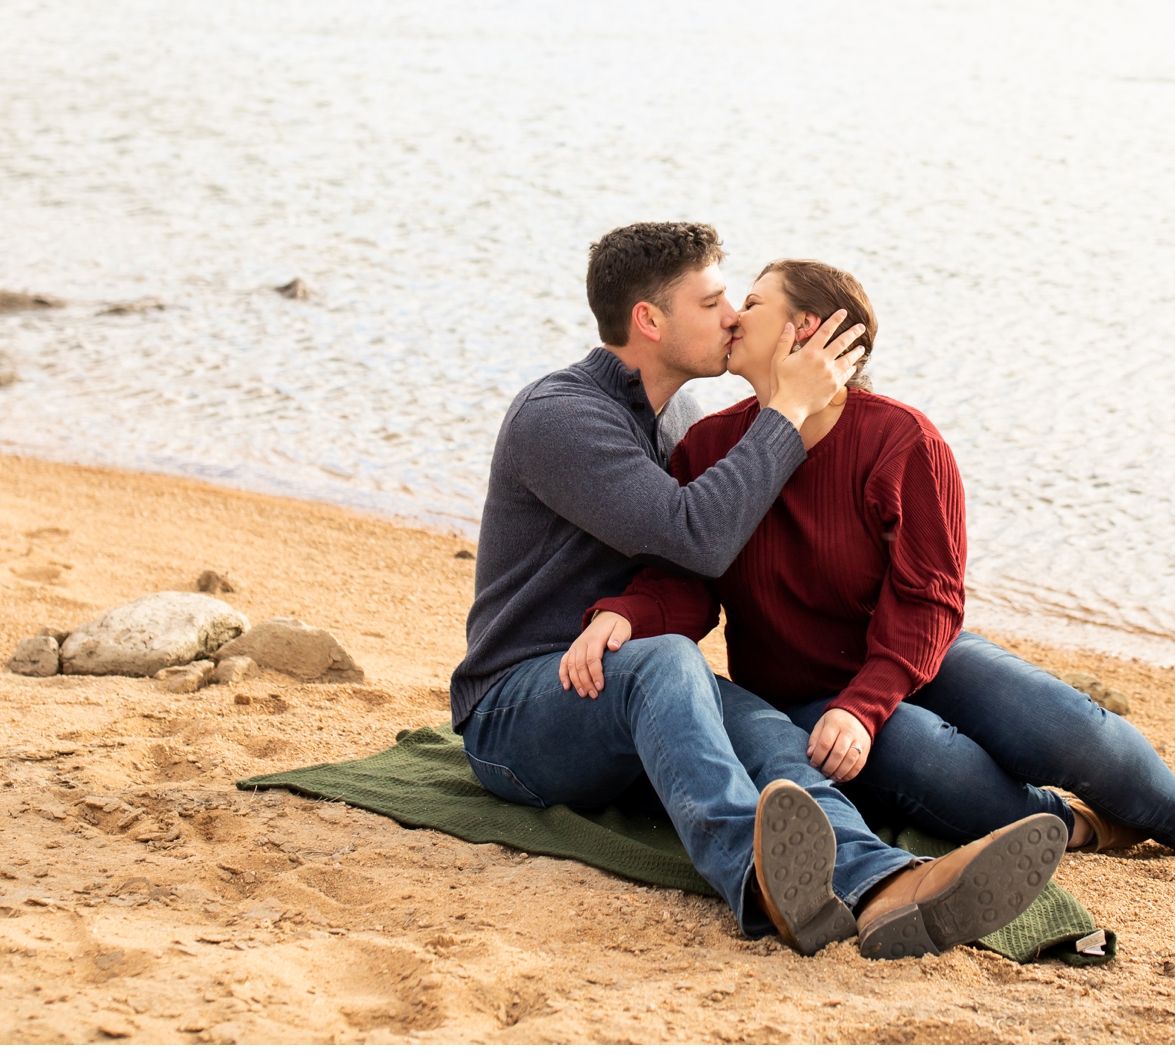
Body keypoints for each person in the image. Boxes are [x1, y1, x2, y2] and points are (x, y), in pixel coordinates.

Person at [566, 258, 1175, 882]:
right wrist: (625, 612)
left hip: (912, 656)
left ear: (807, 331)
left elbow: (930, 599)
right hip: (796, 692)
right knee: (930, 756)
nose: (732, 316)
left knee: (1067, 725)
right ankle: (1078, 827)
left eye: (752, 303)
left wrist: (864, 704)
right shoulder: (709, 443)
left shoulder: (902, 441)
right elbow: (692, 578)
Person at [452, 223, 1067, 959]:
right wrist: (789, 409)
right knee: (669, 662)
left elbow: (690, 579)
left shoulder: (679, 419)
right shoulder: (561, 416)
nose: (733, 318)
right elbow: (698, 538)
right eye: (713, 301)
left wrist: (630, 610)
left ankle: (881, 885)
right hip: (519, 709)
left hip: (628, 683)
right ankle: (755, 878)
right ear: (650, 319)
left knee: (769, 728)